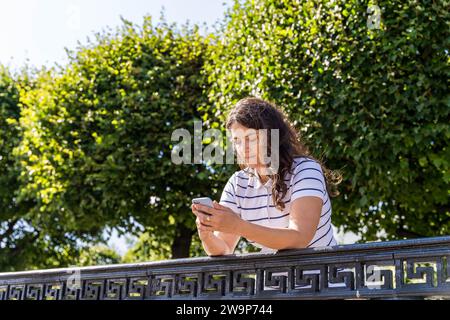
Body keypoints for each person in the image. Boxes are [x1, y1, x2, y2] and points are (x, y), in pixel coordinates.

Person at [191, 97, 342, 256]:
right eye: (237, 141)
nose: (243, 149)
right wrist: (206, 235)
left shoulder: (305, 169)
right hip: (275, 280)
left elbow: (300, 238)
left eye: (250, 139)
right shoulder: (238, 183)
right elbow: (224, 248)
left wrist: (238, 226)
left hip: (323, 277)